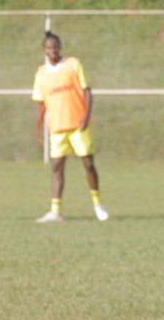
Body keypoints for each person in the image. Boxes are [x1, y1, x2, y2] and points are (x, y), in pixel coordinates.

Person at [33, 32, 108, 223]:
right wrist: (38, 129)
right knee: (57, 168)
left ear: (60, 47)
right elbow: (41, 103)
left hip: (78, 126)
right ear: (44, 50)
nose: (53, 50)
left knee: (88, 164)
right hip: (57, 128)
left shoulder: (73, 64)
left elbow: (87, 92)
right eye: (49, 47)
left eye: (56, 46)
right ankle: (55, 211)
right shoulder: (41, 72)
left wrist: (86, 116)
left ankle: (97, 205)